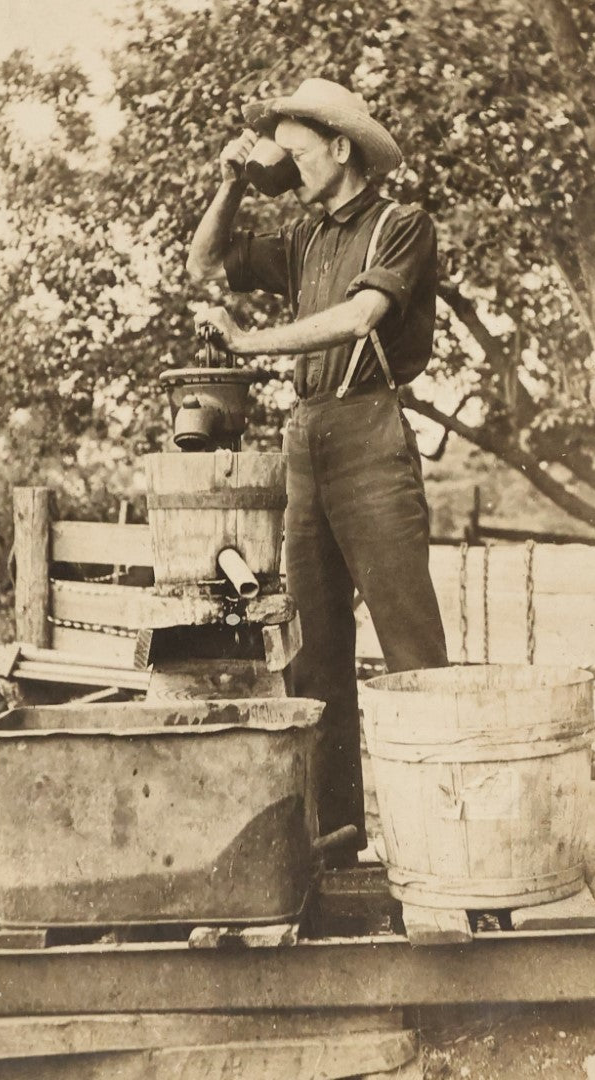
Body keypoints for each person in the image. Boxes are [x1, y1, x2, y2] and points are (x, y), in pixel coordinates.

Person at [187, 78, 448, 866]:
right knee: (314, 651)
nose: (290, 168)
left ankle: (442, 840)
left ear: (342, 147)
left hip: (370, 431)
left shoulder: (401, 224)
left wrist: (249, 345)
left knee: (412, 651)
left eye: (298, 154)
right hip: (308, 441)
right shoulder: (303, 239)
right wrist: (232, 180)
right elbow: (203, 263)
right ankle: (341, 838)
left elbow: (360, 318)